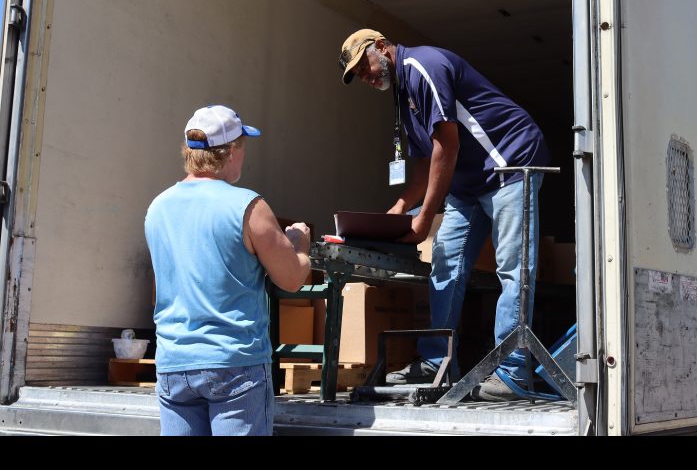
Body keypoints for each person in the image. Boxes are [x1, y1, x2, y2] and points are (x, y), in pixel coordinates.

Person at [338, 29, 550, 402]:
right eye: (358, 75)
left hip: (511, 164)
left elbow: (446, 146)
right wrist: (402, 208)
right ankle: (437, 362)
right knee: (446, 265)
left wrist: (425, 219)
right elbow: (424, 163)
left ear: (382, 47)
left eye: (364, 65)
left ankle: (513, 371)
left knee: (513, 267)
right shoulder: (403, 95)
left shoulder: (422, 66)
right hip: (468, 184)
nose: (366, 77)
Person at [144, 104, 311, 435]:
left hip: (174, 365)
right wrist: (300, 244)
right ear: (231, 151)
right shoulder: (249, 206)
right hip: (234, 364)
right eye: (243, 148)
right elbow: (291, 279)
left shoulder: (157, 207)